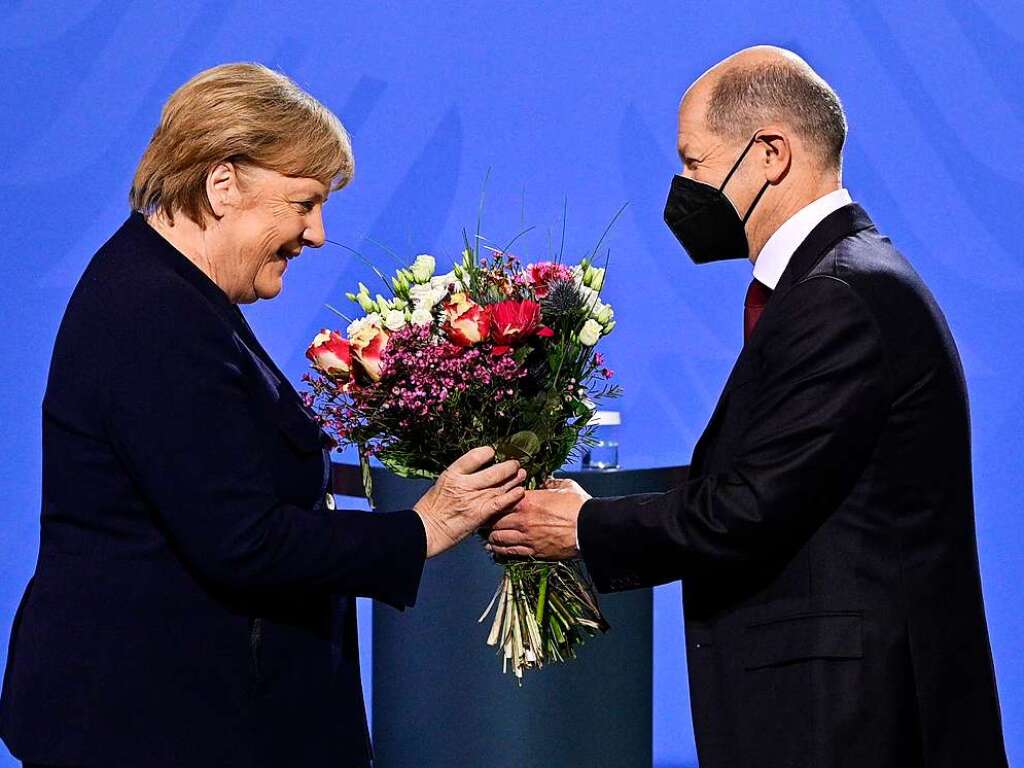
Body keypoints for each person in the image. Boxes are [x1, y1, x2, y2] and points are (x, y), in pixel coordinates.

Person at [489, 46, 1007, 767]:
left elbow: (751, 506)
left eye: (694, 164)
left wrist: (585, 526)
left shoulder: (841, 296)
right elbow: (777, 476)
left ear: (770, 153)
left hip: (849, 720)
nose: (684, 187)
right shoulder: (836, 281)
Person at [0, 63, 525, 768]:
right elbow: (240, 539)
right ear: (223, 185)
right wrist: (419, 529)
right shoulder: (152, 314)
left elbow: (222, 478)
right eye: (304, 203)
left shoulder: (176, 294)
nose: (316, 234)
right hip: (155, 726)